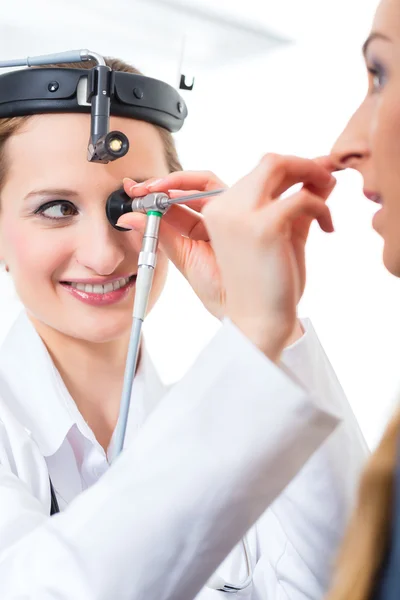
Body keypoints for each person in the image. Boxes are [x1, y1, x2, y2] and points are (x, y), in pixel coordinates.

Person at [0, 58, 366, 599]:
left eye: (137, 205)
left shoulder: (218, 418)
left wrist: (269, 325)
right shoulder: (213, 427)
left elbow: (354, 581)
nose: (104, 254)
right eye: (56, 208)